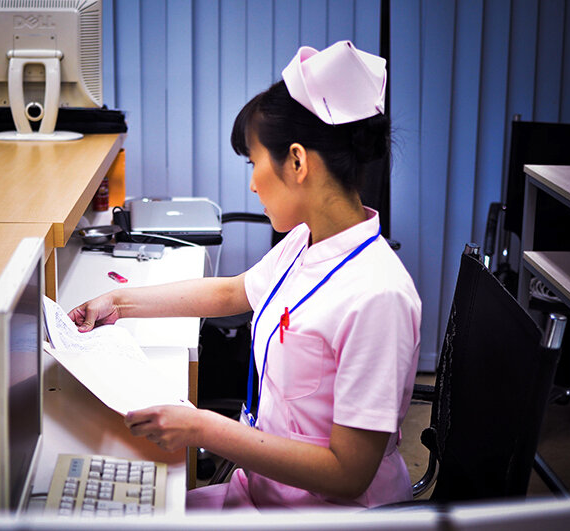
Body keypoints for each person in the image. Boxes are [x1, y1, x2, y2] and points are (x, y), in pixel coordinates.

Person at [68, 40, 421, 511]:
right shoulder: (307, 240)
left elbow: (348, 473)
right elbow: (233, 292)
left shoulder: (378, 296)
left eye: (254, 164)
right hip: (265, 493)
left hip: (326, 515)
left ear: (297, 162)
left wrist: (203, 428)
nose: (252, 184)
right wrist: (119, 303)